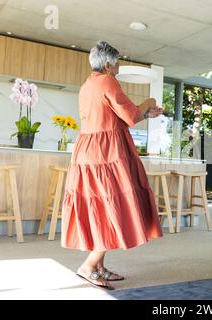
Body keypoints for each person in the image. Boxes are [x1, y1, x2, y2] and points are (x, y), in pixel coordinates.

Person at [61, 41, 164, 290]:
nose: (118, 67)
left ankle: (98, 267)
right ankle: (88, 265)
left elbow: (118, 115)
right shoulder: (108, 81)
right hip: (106, 153)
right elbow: (130, 116)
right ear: (108, 64)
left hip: (90, 151)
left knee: (101, 206)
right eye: (116, 62)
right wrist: (149, 101)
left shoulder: (88, 84)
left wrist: (146, 113)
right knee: (112, 206)